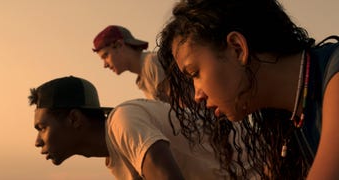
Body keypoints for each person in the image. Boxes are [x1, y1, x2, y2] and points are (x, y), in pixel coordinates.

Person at [157, 0, 339, 179]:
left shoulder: (335, 78)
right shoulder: (289, 123)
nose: (197, 95)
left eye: (194, 73)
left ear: (237, 49)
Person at [28, 75, 236, 180]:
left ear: (74, 119)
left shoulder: (123, 121)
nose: (37, 141)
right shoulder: (116, 159)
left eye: (42, 127)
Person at [92, 25, 169, 102]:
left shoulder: (152, 62)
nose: (105, 65)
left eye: (105, 56)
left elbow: (173, 108)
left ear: (119, 45)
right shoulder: (142, 77)